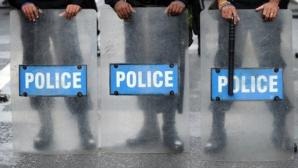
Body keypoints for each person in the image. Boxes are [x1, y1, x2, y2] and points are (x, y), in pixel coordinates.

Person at [205, 0, 293, 152]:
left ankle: (281, 129)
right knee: (224, 70)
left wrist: (274, 2)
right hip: (231, 9)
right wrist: (223, 2)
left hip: (266, 9)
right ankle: (217, 131)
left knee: (272, 69)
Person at [9, 0, 97, 150]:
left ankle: (84, 127)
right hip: (32, 13)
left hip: (64, 11)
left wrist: (77, 1)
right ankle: (46, 126)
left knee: (71, 67)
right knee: (36, 69)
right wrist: (23, 2)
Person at [105, 0, 188, 152]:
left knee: (166, 72)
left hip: (170, 13)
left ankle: (169, 128)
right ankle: (150, 126)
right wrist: (116, 2)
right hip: (134, 14)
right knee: (139, 70)